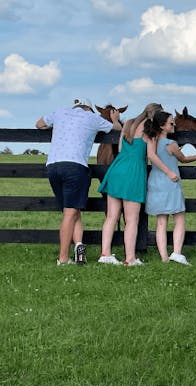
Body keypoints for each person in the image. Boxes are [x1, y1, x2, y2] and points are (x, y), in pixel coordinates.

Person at [36, 98, 122, 266]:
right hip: (75, 166)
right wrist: (115, 118)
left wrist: (56, 127)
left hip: (53, 166)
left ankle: (79, 249)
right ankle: (63, 258)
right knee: (70, 213)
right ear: (89, 108)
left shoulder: (60, 112)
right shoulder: (92, 118)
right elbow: (117, 129)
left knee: (72, 211)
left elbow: (39, 124)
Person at [98, 103, 176, 266]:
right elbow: (152, 156)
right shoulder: (150, 129)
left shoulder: (129, 123)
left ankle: (105, 254)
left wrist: (116, 121)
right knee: (131, 220)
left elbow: (120, 148)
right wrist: (168, 172)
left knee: (111, 216)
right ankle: (130, 258)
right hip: (134, 173)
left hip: (117, 168)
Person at [145, 111, 196, 265]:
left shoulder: (153, 140)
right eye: (171, 123)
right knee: (179, 219)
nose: (174, 125)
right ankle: (176, 252)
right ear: (162, 126)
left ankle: (163, 258)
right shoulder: (171, 144)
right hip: (171, 183)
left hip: (155, 182)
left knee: (161, 222)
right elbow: (183, 159)